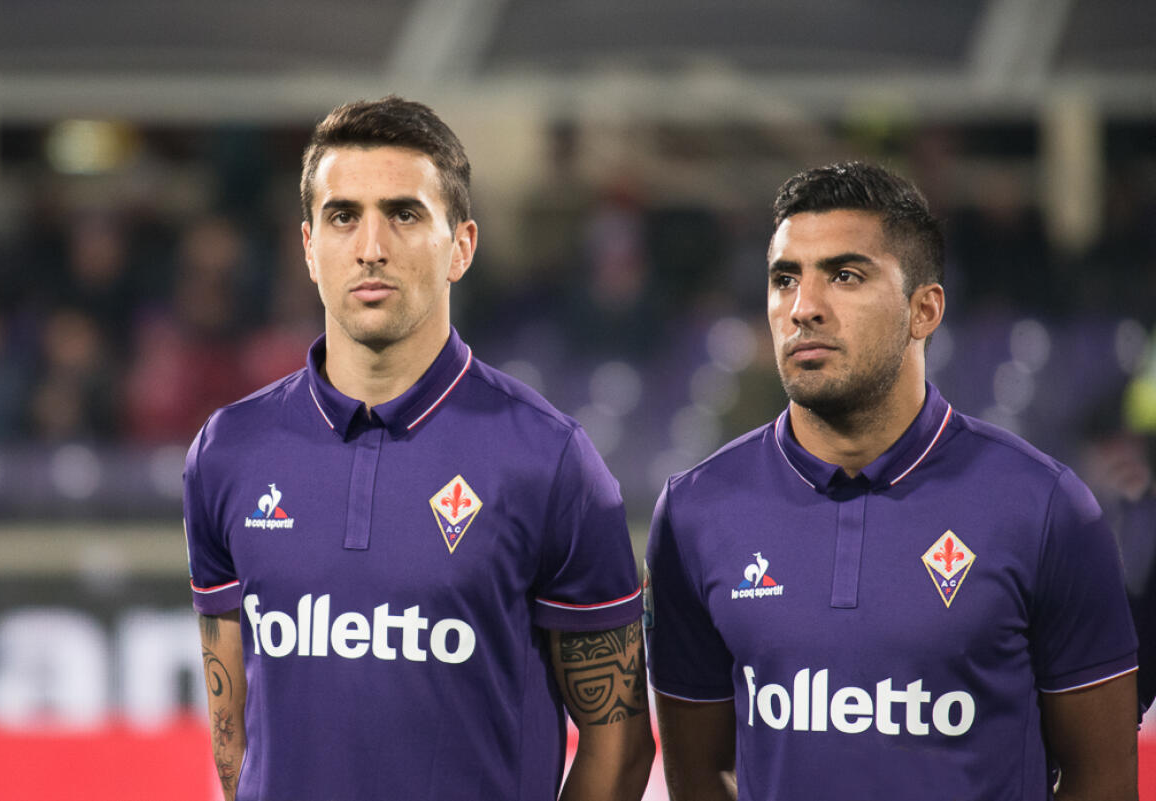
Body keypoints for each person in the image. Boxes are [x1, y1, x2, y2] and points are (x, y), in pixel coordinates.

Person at [184, 97, 654, 801]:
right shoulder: (229, 452)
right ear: (309, 247)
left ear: (461, 244)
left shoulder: (549, 460)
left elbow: (618, 744)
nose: (371, 246)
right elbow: (233, 732)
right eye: (343, 216)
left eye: (404, 213)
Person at [643, 162, 1139, 800]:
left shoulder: (1045, 508)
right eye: (784, 279)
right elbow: (699, 774)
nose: (804, 308)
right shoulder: (694, 513)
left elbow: (1102, 778)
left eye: (845, 276)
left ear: (924, 309)